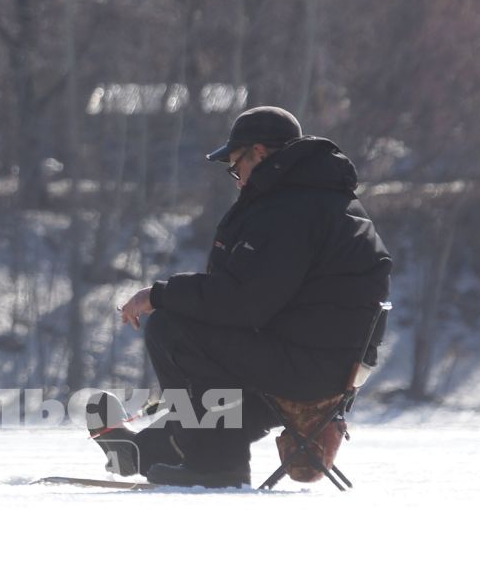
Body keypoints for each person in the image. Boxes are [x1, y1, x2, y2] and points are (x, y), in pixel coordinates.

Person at [94, 105, 392, 488]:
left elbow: (244, 302)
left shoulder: (290, 212)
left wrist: (159, 294)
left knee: (172, 328)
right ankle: (153, 451)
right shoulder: (327, 202)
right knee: (219, 388)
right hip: (323, 367)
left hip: (304, 368)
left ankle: (215, 465)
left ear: (261, 153)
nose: (237, 180)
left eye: (237, 166)